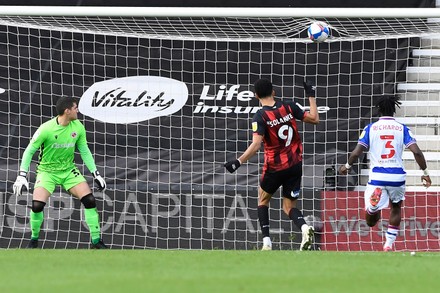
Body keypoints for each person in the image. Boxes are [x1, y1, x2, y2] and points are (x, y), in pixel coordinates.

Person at [224, 78, 319, 251]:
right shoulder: (290, 106)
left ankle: (267, 242)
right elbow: (314, 119)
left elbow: (256, 145)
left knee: (263, 199)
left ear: (256, 96)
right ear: (274, 92)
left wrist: (238, 161)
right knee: (289, 206)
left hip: (275, 167)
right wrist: (311, 95)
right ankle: (305, 227)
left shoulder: (260, 116)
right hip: (295, 165)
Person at [13, 97, 108, 249]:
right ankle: (33, 240)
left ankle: (96, 241)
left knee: (89, 200)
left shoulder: (78, 126)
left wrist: (96, 174)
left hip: (69, 171)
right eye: (75, 108)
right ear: (67, 111)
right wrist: (22, 175)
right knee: (37, 205)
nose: (78, 110)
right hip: (47, 172)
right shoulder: (46, 128)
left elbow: (84, 150)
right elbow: (29, 150)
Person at [339, 95, 432, 251]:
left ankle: (373, 208)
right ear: (394, 110)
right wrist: (425, 173)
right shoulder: (402, 128)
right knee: (396, 207)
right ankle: (388, 244)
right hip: (397, 175)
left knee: (370, 221)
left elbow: (356, 153)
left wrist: (347, 166)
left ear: (379, 110)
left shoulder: (371, 128)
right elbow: (417, 152)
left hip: (377, 176)